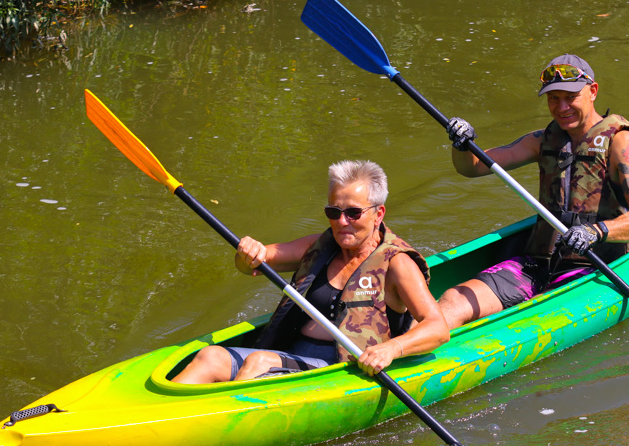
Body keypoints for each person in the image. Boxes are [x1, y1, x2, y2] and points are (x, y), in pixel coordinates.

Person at [172, 160, 449, 383]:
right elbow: (253, 263)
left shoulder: (397, 264)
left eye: (353, 213)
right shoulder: (317, 246)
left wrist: (392, 349)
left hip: (341, 370)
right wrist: (248, 253)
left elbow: (437, 327)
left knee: (260, 362)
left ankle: (221, 431)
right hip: (290, 354)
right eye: (333, 211)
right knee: (209, 356)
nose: (341, 222)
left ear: (378, 214)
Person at [439, 53, 629, 329]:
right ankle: (408, 344)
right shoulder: (542, 140)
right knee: (454, 298)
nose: (561, 106)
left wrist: (595, 231)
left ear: (593, 91)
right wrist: (461, 144)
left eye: (570, 96)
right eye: (553, 98)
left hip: (595, 268)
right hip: (538, 265)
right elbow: (472, 168)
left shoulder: (620, 142)